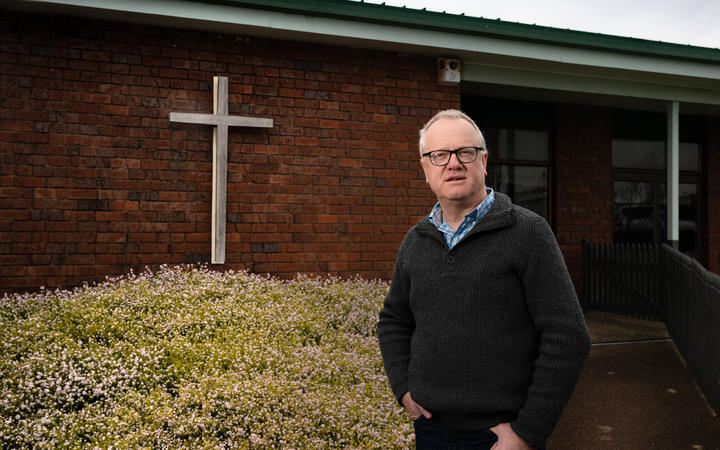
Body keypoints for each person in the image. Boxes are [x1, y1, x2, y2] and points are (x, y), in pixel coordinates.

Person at [377, 109, 591, 449]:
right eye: (439, 155)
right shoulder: (416, 241)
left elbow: (568, 337)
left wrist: (528, 431)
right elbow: (393, 320)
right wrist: (403, 388)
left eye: (465, 152)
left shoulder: (528, 233)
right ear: (425, 169)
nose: (453, 163)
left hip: (500, 436)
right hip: (431, 429)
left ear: (484, 160)